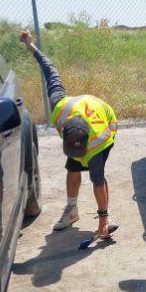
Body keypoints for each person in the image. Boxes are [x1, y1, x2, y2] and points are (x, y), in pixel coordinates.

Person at [20, 31, 118, 238]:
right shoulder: (59, 104)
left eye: (80, 151)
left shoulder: (97, 141)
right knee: (73, 167)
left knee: (96, 176)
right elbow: (50, 70)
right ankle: (72, 210)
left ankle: (106, 218)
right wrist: (31, 45)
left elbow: (98, 181)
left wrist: (102, 222)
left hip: (106, 128)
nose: (79, 154)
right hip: (82, 121)